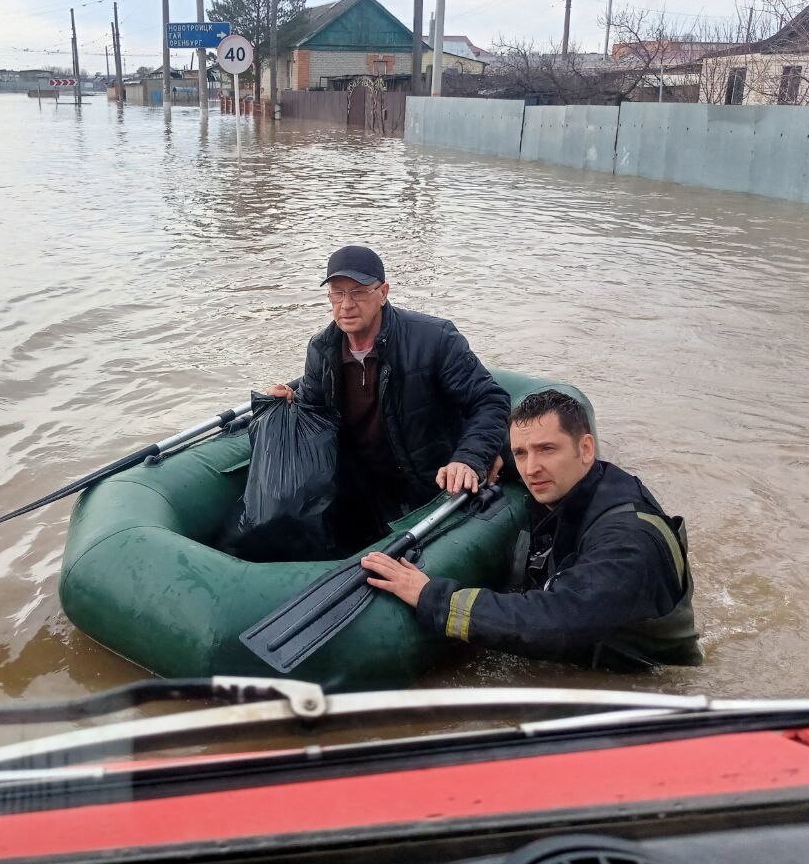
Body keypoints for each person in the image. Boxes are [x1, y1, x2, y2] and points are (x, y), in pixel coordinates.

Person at [361, 389, 702, 670]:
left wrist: (433, 598)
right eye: (520, 453)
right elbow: (518, 459)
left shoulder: (628, 542)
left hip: (645, 682)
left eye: (547, 449)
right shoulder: (578, 483)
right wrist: (478, 457)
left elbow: (554, 622)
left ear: (586, 448)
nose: (531, 468)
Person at [268, 245, 511, 549]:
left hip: (430, 483)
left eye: (358, 292)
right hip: (364, 486)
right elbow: (315, 411)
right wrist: (291, 402)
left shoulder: (435, 339)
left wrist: (469, 458)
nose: (346, 305)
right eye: (337, 293)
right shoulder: (321, 349)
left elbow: (490, 400)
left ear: (383, 293)